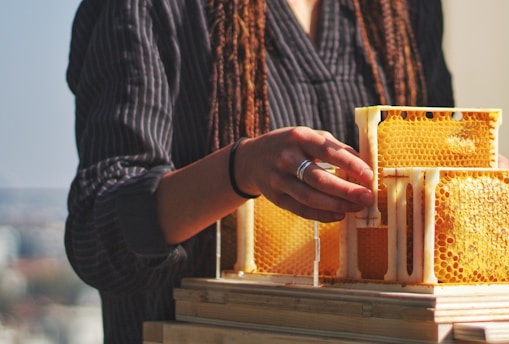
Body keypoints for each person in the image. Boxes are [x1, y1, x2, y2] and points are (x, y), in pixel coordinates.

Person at [65, 0, 454, 342]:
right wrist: (241, 169)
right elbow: (98, 236)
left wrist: (465, 186)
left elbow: (440, 168)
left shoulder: (406, 8)